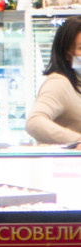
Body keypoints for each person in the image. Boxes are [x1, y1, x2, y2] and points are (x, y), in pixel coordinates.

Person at [28, 16, 81, 148]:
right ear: (67, 53)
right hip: (67, 166)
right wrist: (76, 140)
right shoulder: (59, 83)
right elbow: (34, 122)